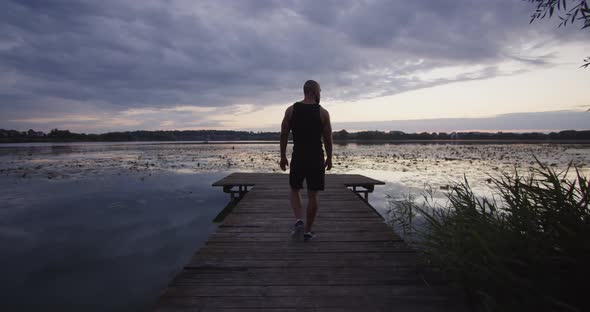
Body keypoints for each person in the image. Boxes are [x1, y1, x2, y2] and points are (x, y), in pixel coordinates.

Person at [280, 80, 333, 242]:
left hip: (298, 156)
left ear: (305, 91)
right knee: (313, 194)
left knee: (294, 189)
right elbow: (328, 138)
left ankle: (298, 220)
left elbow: (283, 135)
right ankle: (308, 231)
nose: (320, 94)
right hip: (316, 156)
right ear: (315, 92)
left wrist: (283, 156)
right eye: (320, 91)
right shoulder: (323, 112)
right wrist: (329, 157)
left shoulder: (291, 110)